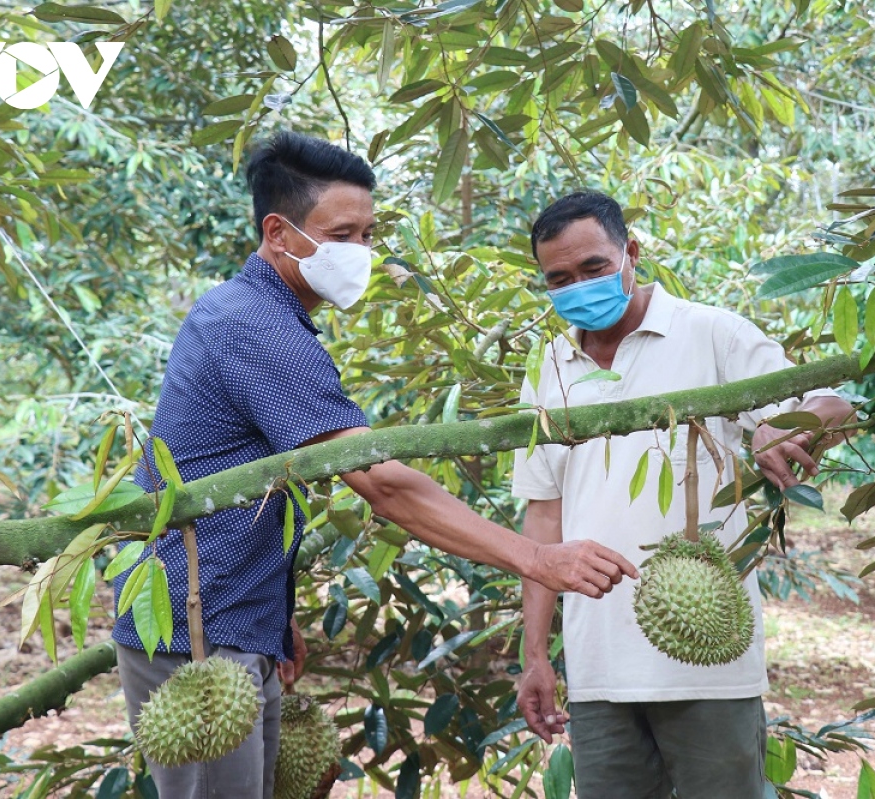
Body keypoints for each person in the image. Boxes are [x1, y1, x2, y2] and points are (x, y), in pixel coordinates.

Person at [110, 136, 638, 799]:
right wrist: (537, 558)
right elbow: (381, 481)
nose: (360, 252)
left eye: (367, 233)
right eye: (342, 234)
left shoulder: (258, 314)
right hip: (195, 633)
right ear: (278, 233)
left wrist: (269, 616)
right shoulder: (258, 329)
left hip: (228, 622)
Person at [513, 191, 854, 798]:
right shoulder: (552, 367)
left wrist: (789, 428)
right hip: (598, 665)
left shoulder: (713, 334)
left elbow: (832, 401)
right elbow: (544, 515)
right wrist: (535, 653)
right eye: (558, 278)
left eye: (593, 267)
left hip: (710, 666)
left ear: (630, 254)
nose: (578, 286)